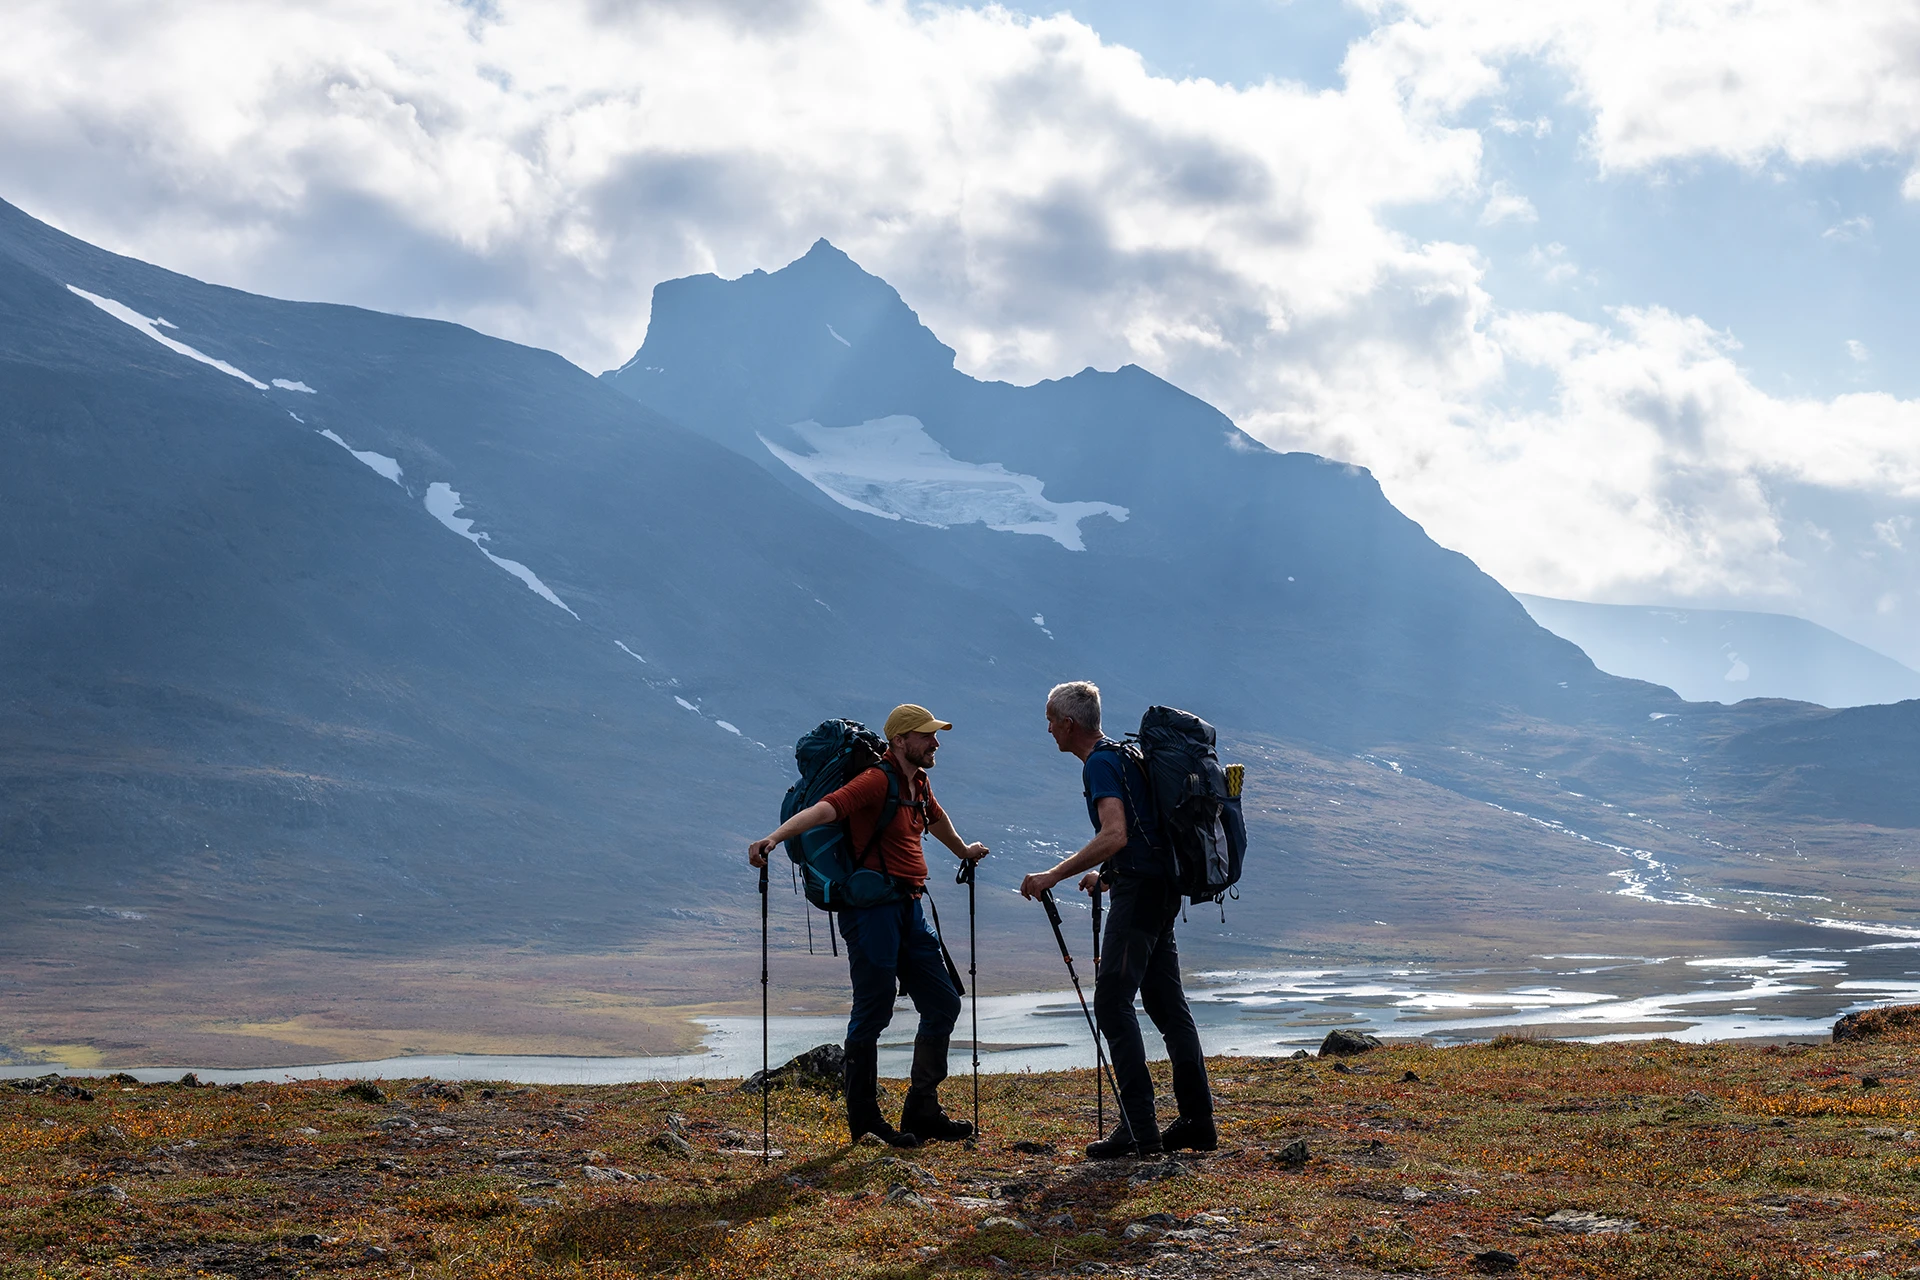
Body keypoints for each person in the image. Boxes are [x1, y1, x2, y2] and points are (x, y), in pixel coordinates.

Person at [750, 703, 989, 1148]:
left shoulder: (917, 781)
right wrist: (775, 838)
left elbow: (934, 819)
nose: (935, 742)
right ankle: (865, 1123)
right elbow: (825, 810)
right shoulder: (876, 780)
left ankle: (923, 1110)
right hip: (870, 912)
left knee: (942, 1003)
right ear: (900, 741)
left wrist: (963, 852)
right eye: (927, 735)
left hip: (909, 905)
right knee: (873, 1010)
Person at [1019, 680, 1215, 1159]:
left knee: (1111, 1003)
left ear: (1068, 723)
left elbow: (1116, 833)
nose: (1048, 729)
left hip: (1142, 897)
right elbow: (1143, 833)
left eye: (1050, 720)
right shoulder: (1124, 755)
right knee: (1168, 1009)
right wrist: (1105, 877)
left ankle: (1140, 1130)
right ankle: (1197, 1123)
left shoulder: (1102, 764)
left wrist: (1054, 875)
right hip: (1159, 890)